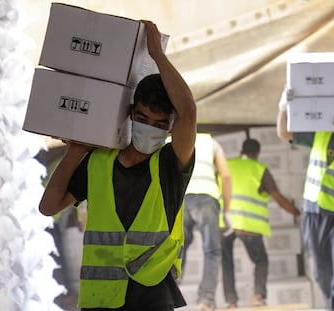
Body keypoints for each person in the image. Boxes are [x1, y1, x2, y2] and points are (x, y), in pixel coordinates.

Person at [38, 19, 197, 311]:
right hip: (102, 298)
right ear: (130, 115)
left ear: (170, 127)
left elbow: (188, 111)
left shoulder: (170, 166)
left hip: (153, 293)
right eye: (143, 117)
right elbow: (48, 206)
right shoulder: (99, 163)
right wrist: (77, 149)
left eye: (160, 123)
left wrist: (157, 56)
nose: (150, 128)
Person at [277, 88, 334, 311]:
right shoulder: (324, 131)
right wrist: (283, 108)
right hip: (314, 211)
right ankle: (333, 306)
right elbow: (285, 133)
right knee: (321, 273)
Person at [219, 138, 301, 308]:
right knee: (261, 260)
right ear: (257, 154)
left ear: (241, 151)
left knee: (226, 261)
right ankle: (257, 296)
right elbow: (278, 198)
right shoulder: (259, 169)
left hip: (224, 223)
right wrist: (296, 212)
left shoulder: (227, 164)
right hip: (249, 225)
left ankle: (232, 302)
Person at [181, 133, 232, 311]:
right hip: (208, 198)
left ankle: (167, 298)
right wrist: (226, 211)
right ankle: (205, 301)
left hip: (182, 198)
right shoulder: (211, 142)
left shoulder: (171, 139)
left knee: (176, 250)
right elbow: (225, 176)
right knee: (212, 251)